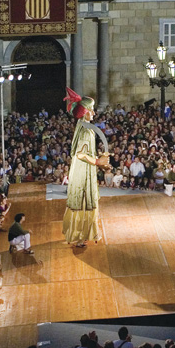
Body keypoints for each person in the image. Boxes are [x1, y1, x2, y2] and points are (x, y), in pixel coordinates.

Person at [63, 88, 109, 248]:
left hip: (82, 169)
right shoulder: (86, 130)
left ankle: (80, 235)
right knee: (84, 201)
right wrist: (98, 162)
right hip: (83, 171)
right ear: (84, 112)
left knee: (83, 201)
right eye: (91, 110)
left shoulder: (82, 126)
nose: (94, 113)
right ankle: (81, 236)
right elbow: (81, 154)